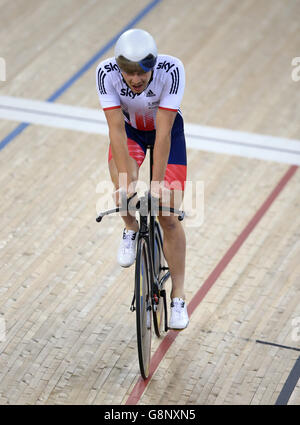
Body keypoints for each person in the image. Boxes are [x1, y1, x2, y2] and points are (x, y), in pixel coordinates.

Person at [96, 28, 189, 330]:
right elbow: (116, 132)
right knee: (122, 189)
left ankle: (178, 296)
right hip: (130, 133)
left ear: (153, 65)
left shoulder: (172, 70)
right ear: (118, 68)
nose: (135, 80)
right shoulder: (105, 73)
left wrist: (158, 184)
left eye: (142, 73)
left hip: (167, 134)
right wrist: (127, 181)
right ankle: (130, 228)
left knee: (168, 215)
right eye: (129, 73)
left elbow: (163, 134)